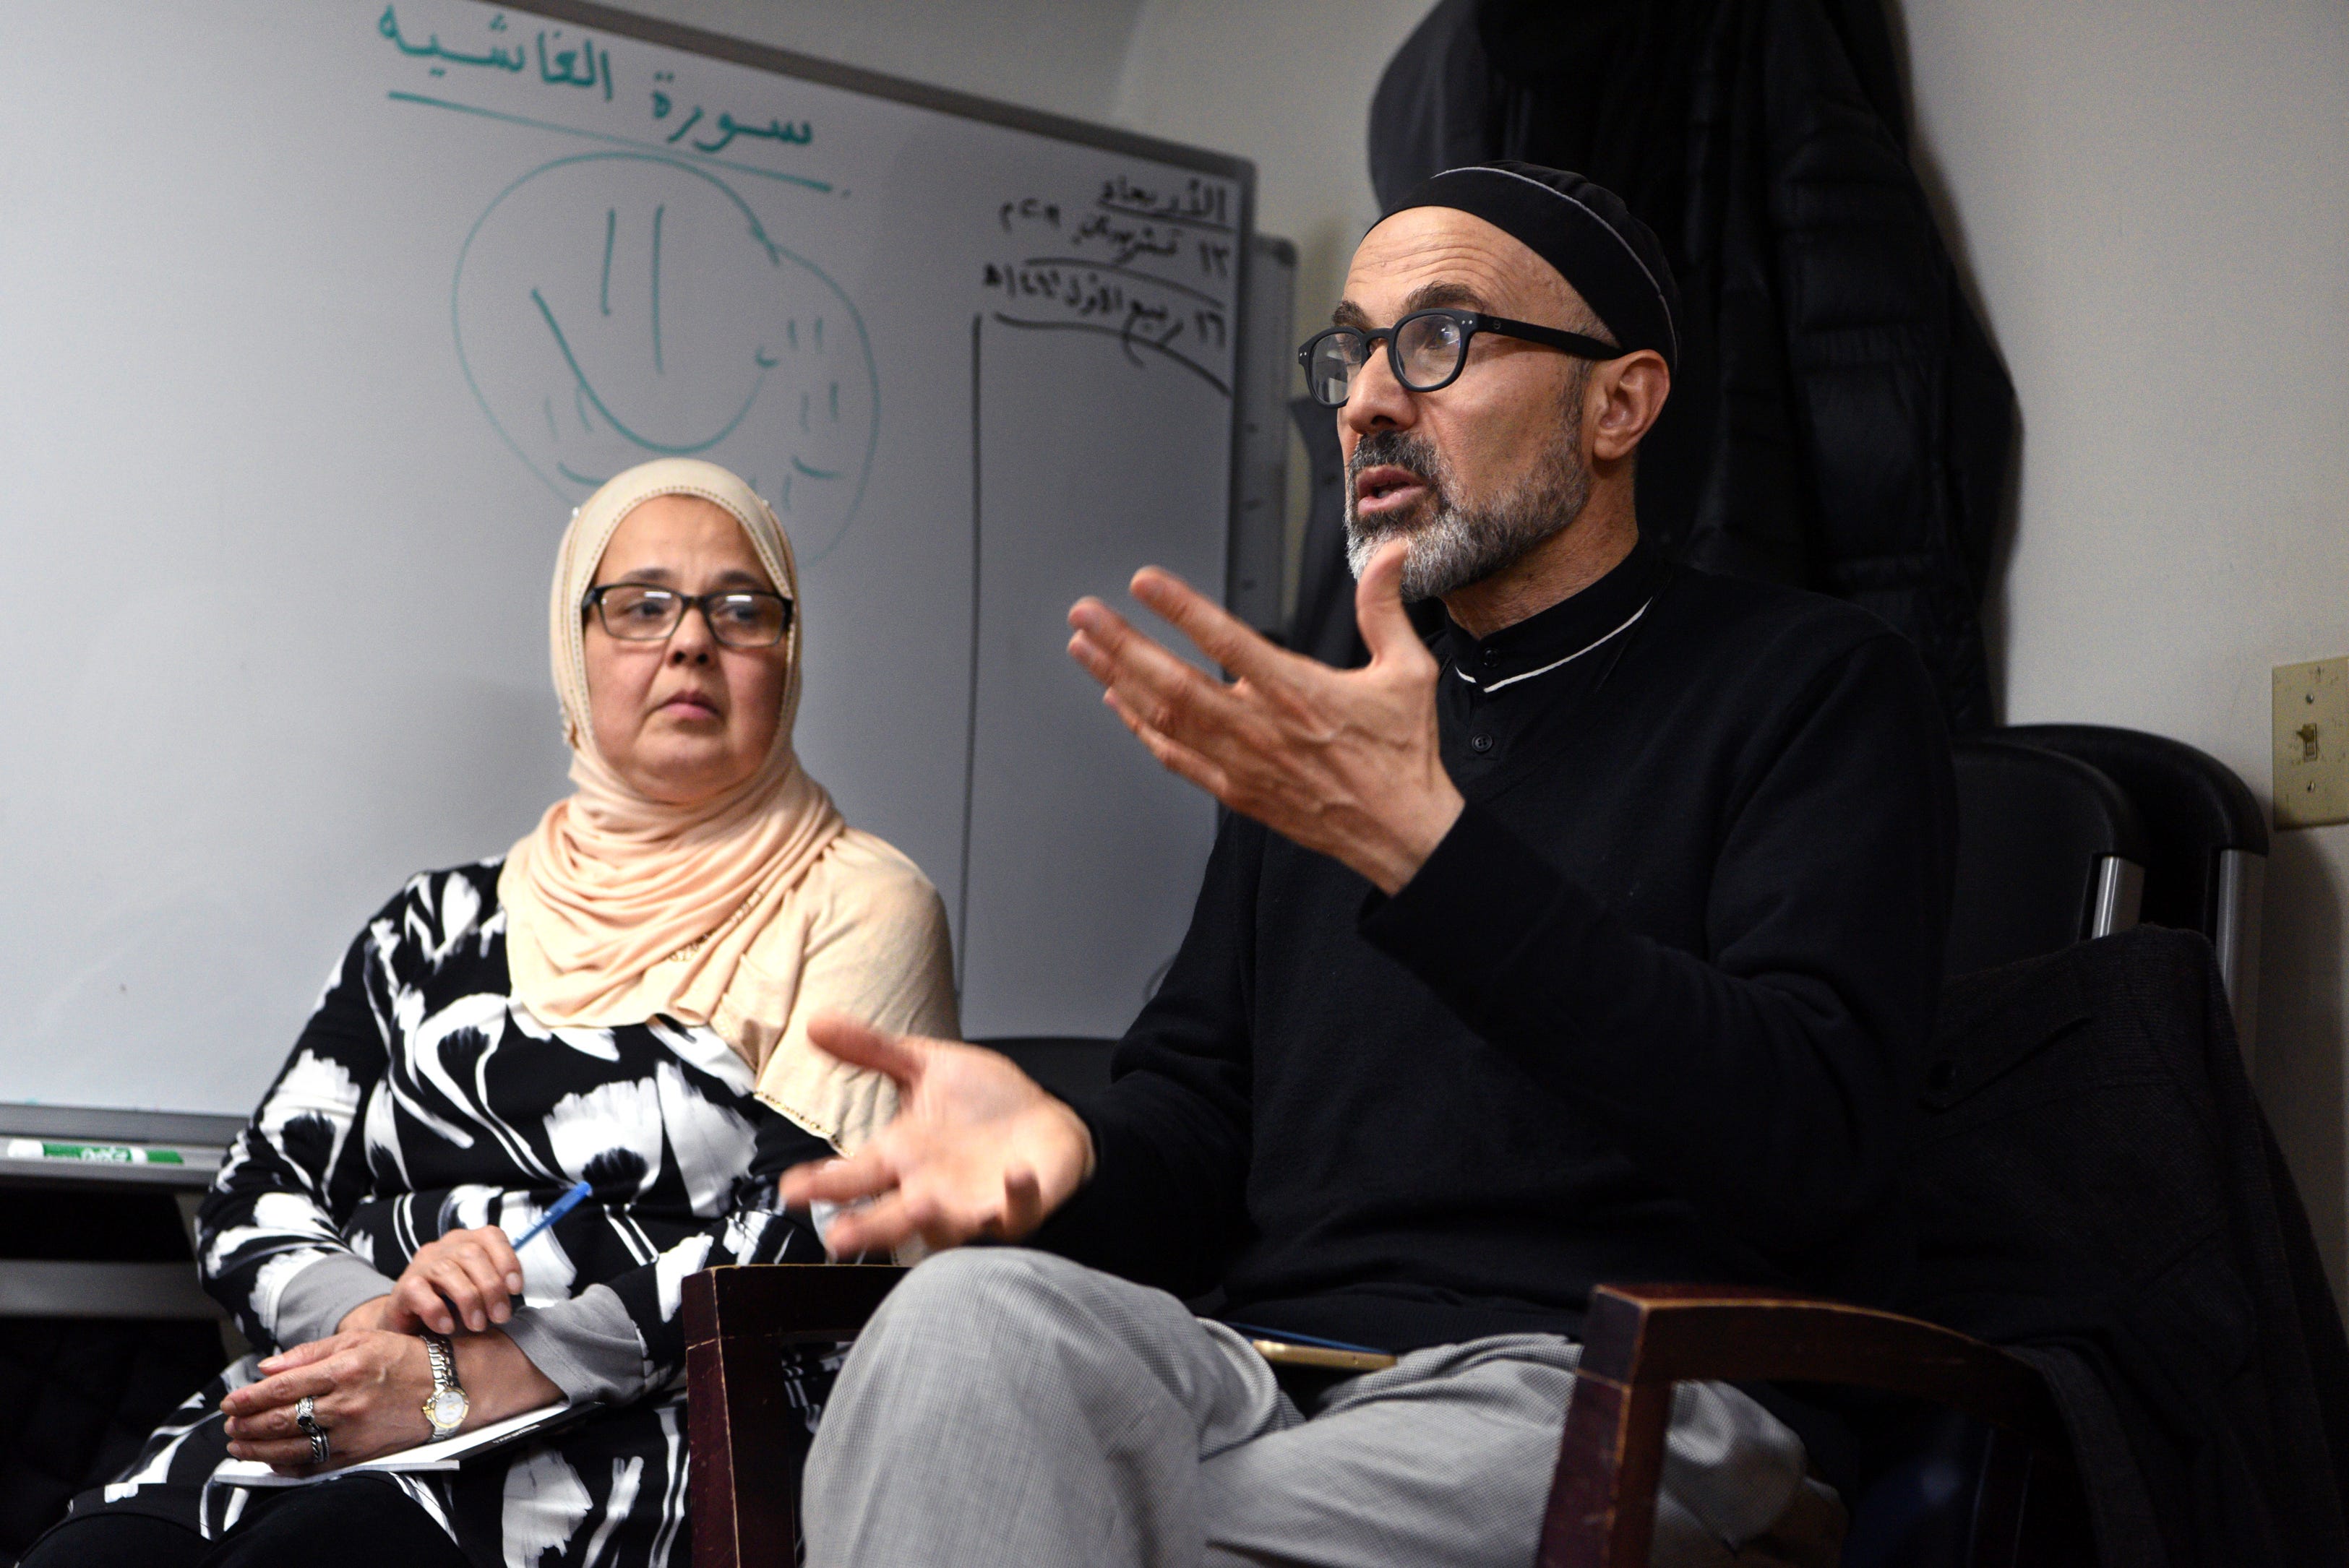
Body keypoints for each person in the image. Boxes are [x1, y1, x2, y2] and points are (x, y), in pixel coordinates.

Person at [780, 164, 1956, 1567]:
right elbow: (1202, 1119)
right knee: (958, 1327)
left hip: (1595, 1387)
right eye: (1348, 350)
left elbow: (1812, 1139)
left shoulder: (1811, 688)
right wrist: (1070, 1151)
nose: (1364, 400)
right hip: (1267, 1372)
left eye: (1438, 339)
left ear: (1618, 402)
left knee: (1063, 1522)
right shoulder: (1321, 734)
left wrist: (1432, 857)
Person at [22, 459, 957, 1567]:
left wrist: (466, 1379)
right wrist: (369, 1323)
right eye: (642, 604)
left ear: (786, 656)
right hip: (348, 1396)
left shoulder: (857, 902)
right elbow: (257, 1187)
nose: (692, 641)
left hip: (630, 1435)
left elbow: (815, 1235)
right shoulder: (436, 920)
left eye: (739, 609)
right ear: (577, 649)